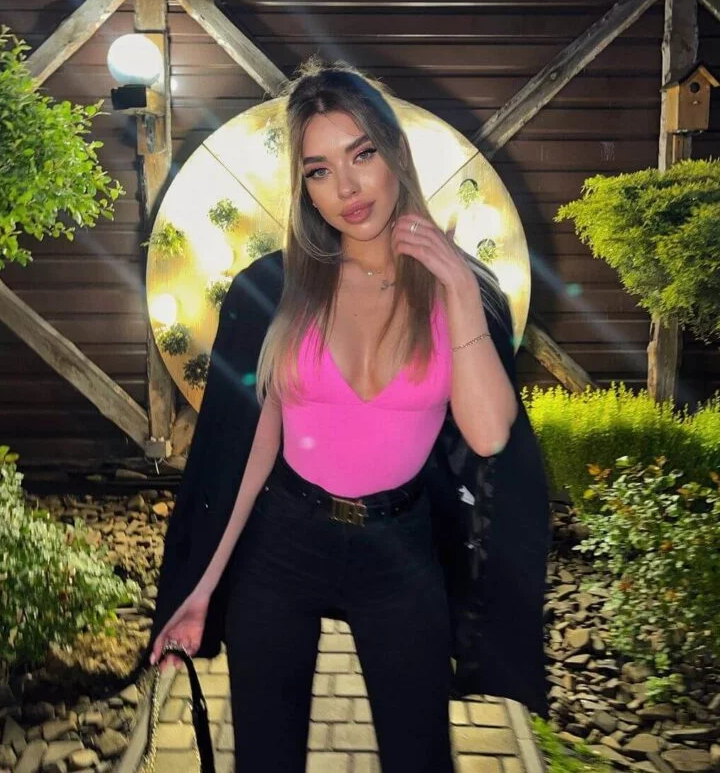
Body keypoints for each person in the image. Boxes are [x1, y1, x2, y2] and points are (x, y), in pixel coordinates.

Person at [146, 56, 551, 772]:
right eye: (320, 169)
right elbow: (254, 442)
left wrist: (459, 288)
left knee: (420, 759)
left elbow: (490, 435)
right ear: (303, 186)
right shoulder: (279, 287)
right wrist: (203, 586)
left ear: (395, 153)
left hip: (400, 550)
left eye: (361, 154)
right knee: (264, 759)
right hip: (282, 542)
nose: (347, 187)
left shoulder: (460, 288)